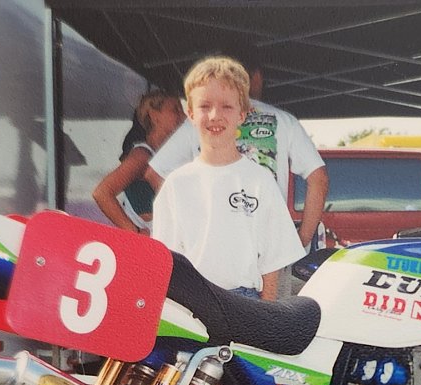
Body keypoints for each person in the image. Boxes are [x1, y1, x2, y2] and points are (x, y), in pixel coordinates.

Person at [151, 56, 304, 301]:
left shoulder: (260, 181)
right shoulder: (176, 184)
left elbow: (272, 266)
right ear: (190, 114)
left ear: (242, 115)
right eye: (204, 106)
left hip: (245, 302)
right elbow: (165, 264)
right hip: (191, 303)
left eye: (226, 107)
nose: (214, 115)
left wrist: (264, 321)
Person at [145, 49, 328, 251]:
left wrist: (194, 222)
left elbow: (155, 173)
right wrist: (301, 239)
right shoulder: (284, 121)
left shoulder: (200, 120)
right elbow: (318, 178)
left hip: (212, 248)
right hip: (267, 245)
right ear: (256, 77)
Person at [92, 89, 185, 233]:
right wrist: (134, 232)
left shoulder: (166, 155)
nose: (183, 115)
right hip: (150, 249)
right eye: (176, 110)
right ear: (154, 115)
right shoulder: (142, 155)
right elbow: (102, 193)